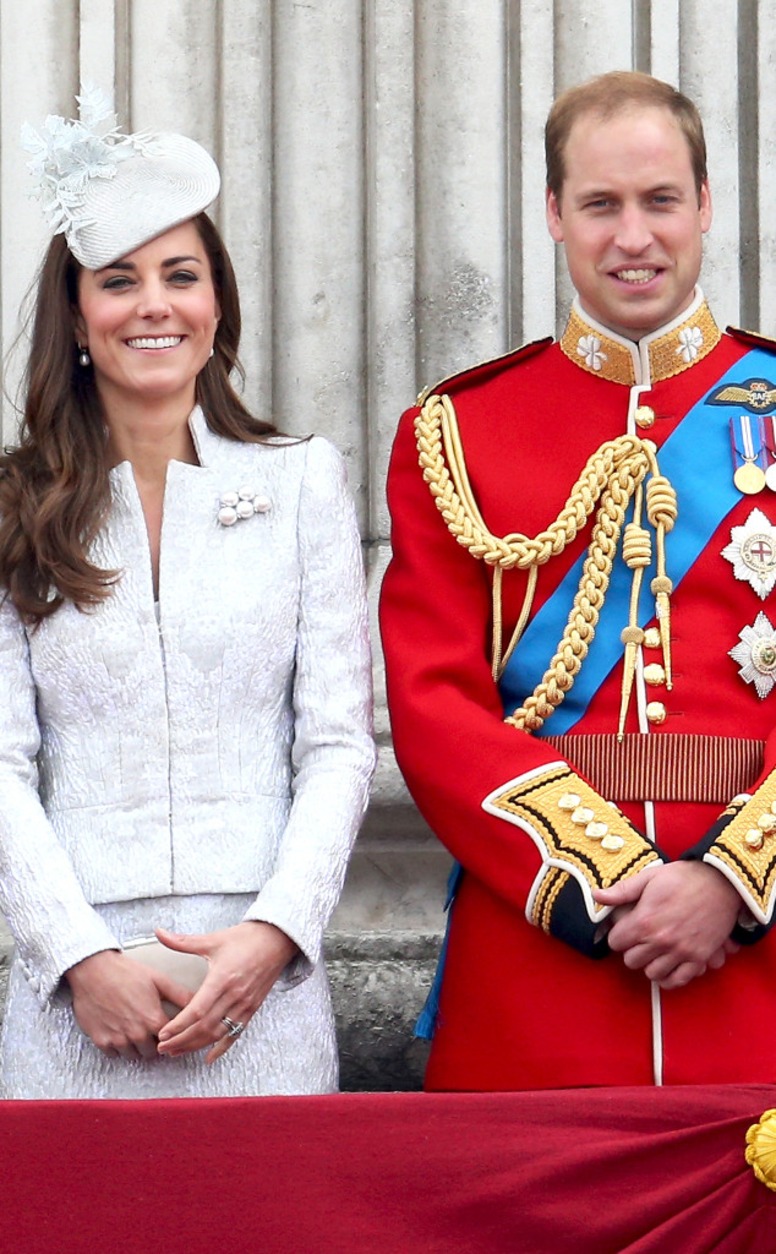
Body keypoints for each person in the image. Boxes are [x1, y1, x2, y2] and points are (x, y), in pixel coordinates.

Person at [380, 70, 776, 1090]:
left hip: (756, 964)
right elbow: (431, 704)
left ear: (703, 205)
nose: (631, 237)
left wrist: (732, 879)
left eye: (658, 202)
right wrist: (604, 880)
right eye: (599, 205)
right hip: (540, 958)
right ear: (554, 215)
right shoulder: (456, 433)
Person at [0, 87, 375, 1099]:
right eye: (118, 280)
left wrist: (273, 936)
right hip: (72, 1001)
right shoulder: (14, 502)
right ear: (80, 317)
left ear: (217, 304)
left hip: (260, 984)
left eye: (180, 274)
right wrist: (77, 959)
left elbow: (337, 742)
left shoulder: (304, 481)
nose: (153, 304)